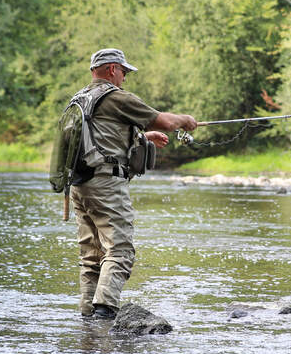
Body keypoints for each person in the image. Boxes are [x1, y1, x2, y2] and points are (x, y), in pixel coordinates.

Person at [68, 48, 197, 319]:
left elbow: (99, 138)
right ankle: (105, 313)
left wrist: (143, 136)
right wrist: (185, 121)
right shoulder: (116, 97)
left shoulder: (80, 99)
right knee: (120, 250)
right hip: (106, 185)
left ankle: (87, 317)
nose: (125, 78)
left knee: (91, 257)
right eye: (124, 72)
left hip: (79, 186)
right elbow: (165, 120)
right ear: (112, 69)